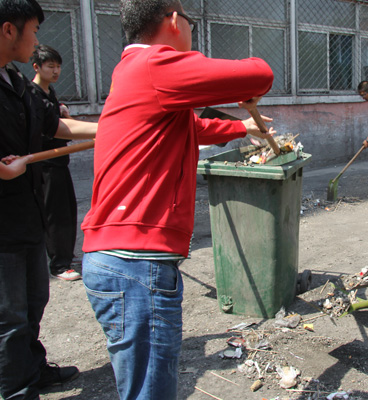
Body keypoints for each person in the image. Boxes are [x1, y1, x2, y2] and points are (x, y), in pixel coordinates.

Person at [80, 0, 275, 398]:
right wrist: (247, 87)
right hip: (135, 264)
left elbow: (190, 125)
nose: (191, 30)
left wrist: (240, 127)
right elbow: (261, 73)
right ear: (173, 20)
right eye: (189, 21)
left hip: (121, 260)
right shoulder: (156, 65)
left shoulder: (132, 71)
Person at [0, 0, 97, 398]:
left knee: (34, 302)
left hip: (26, 215)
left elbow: (54, 125)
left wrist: (111, 129)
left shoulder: (15, 81)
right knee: (9, 317)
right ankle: (14, 390)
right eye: (34, 30)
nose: (37, 39)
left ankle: (32, 368)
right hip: (1, 228)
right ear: (9, 30)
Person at [31, 44, 80, 281]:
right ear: (37, 67)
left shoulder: (49, 93)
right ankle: (59, 265)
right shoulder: (33, 95)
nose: (56, 71)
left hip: (59, 161)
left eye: (58, 66)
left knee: (68, 210)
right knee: (55, 214)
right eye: (51, 66)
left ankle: (65, 257)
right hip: (45, 164)